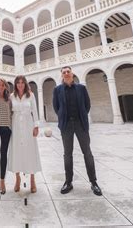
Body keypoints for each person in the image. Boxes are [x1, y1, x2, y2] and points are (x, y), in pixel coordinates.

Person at [52, 66, 102, 196]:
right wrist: (63, 117)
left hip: (80, 124)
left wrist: (82, 117)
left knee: (87, 153)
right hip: (66, 125)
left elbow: (87, 105)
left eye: (68, 71)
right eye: (64, 72)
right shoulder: (57, 90)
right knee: (67, 154)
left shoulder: (81, 88)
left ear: (72, 74)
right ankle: (68, 182)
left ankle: (93, 182)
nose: (66, 73)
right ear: (62, 75)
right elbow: (56, 107)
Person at [8, 75, 41, 193]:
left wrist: (36, 126)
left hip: (28, 125)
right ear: (15, 84)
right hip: (16, 126)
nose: (20, 84)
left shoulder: (30, 95)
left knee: (30, 151)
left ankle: (32, 180)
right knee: (17, 152)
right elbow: (9, 112)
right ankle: (17, 179)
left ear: (25, 84)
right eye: (18, 82)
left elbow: (35, 111)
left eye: (22, 82)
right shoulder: (12, 96)